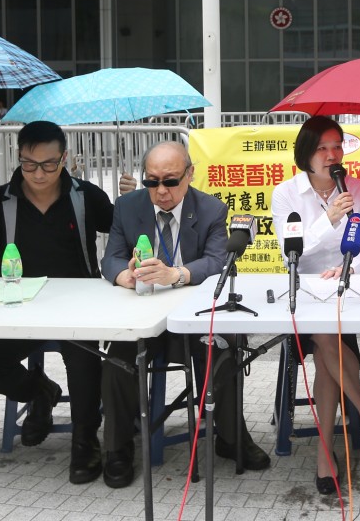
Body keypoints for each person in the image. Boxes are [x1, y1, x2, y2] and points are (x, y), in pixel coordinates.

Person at [0, 121, 134, 485]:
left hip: (78, 307)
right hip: (18, 308)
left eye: (49, 164)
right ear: (18, 159)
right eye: (29, 164)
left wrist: (128, 203)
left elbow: (125, 238)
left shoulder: (85, 195)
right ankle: (40, 391)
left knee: (85, 362)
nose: (38, 173)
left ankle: (86, 439)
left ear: (65, 158)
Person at [100, 141, 270, 488]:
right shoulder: (127, 207)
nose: (160, 191)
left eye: (170, 181)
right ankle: (117, 449)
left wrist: (175, 274)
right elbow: (111, 257)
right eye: (152, 182)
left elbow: (216, 259)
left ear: (190, 174)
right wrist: (125, 275)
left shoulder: (210, 209)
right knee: (116, 360)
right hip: (144, 312)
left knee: (221, 351)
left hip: (193, 314)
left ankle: (231, 435)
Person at [270, 116, 360, 494]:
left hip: (346, 286)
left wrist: (351, 265)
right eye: (322, 147)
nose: (332, 154)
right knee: (323, 337)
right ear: (306, 153)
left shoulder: (358, 189)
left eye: (337, 146)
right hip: (303, 289)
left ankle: (326, 451)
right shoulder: (286, 193)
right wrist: (327, 218)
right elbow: (291, 253)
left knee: (326, 349)